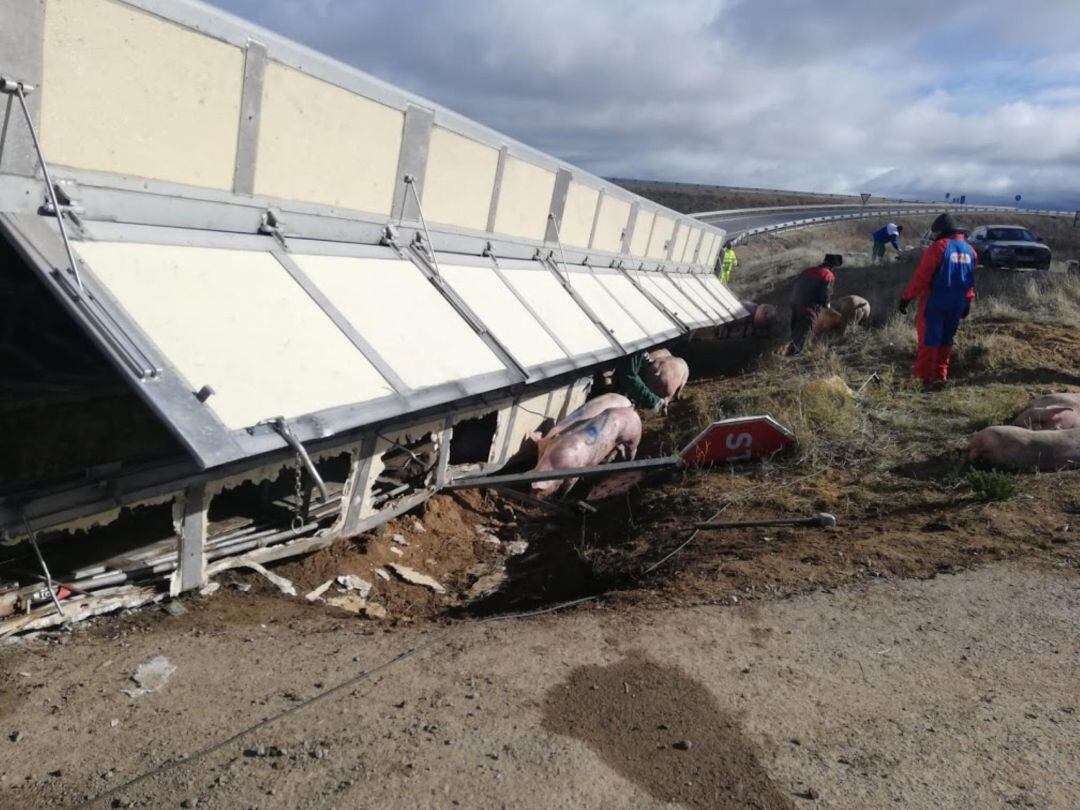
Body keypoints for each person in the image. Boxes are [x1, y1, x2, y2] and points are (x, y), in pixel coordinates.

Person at [898, 212, 976, 387]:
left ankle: (922, 379)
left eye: (934, 234)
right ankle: (941, 376)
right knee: (946, 340)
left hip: (935, 303)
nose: (933, 237)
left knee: (930, 340)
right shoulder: (970, 251)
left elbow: (922, 277)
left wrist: (906, 298)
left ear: (940, 231)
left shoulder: (938, 248)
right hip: (957, 304)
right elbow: (970, 280)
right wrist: (968, 301)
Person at [786, 254, 843, 356]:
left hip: (795, 305)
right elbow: (825, 295)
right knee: (802, 334)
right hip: (808, 309)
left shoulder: (808, 270)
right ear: (833, 266)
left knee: (795, 332)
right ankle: (793, 358)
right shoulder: (828, 275)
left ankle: (788, 351)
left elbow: (797, 286)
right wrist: (827, 306)